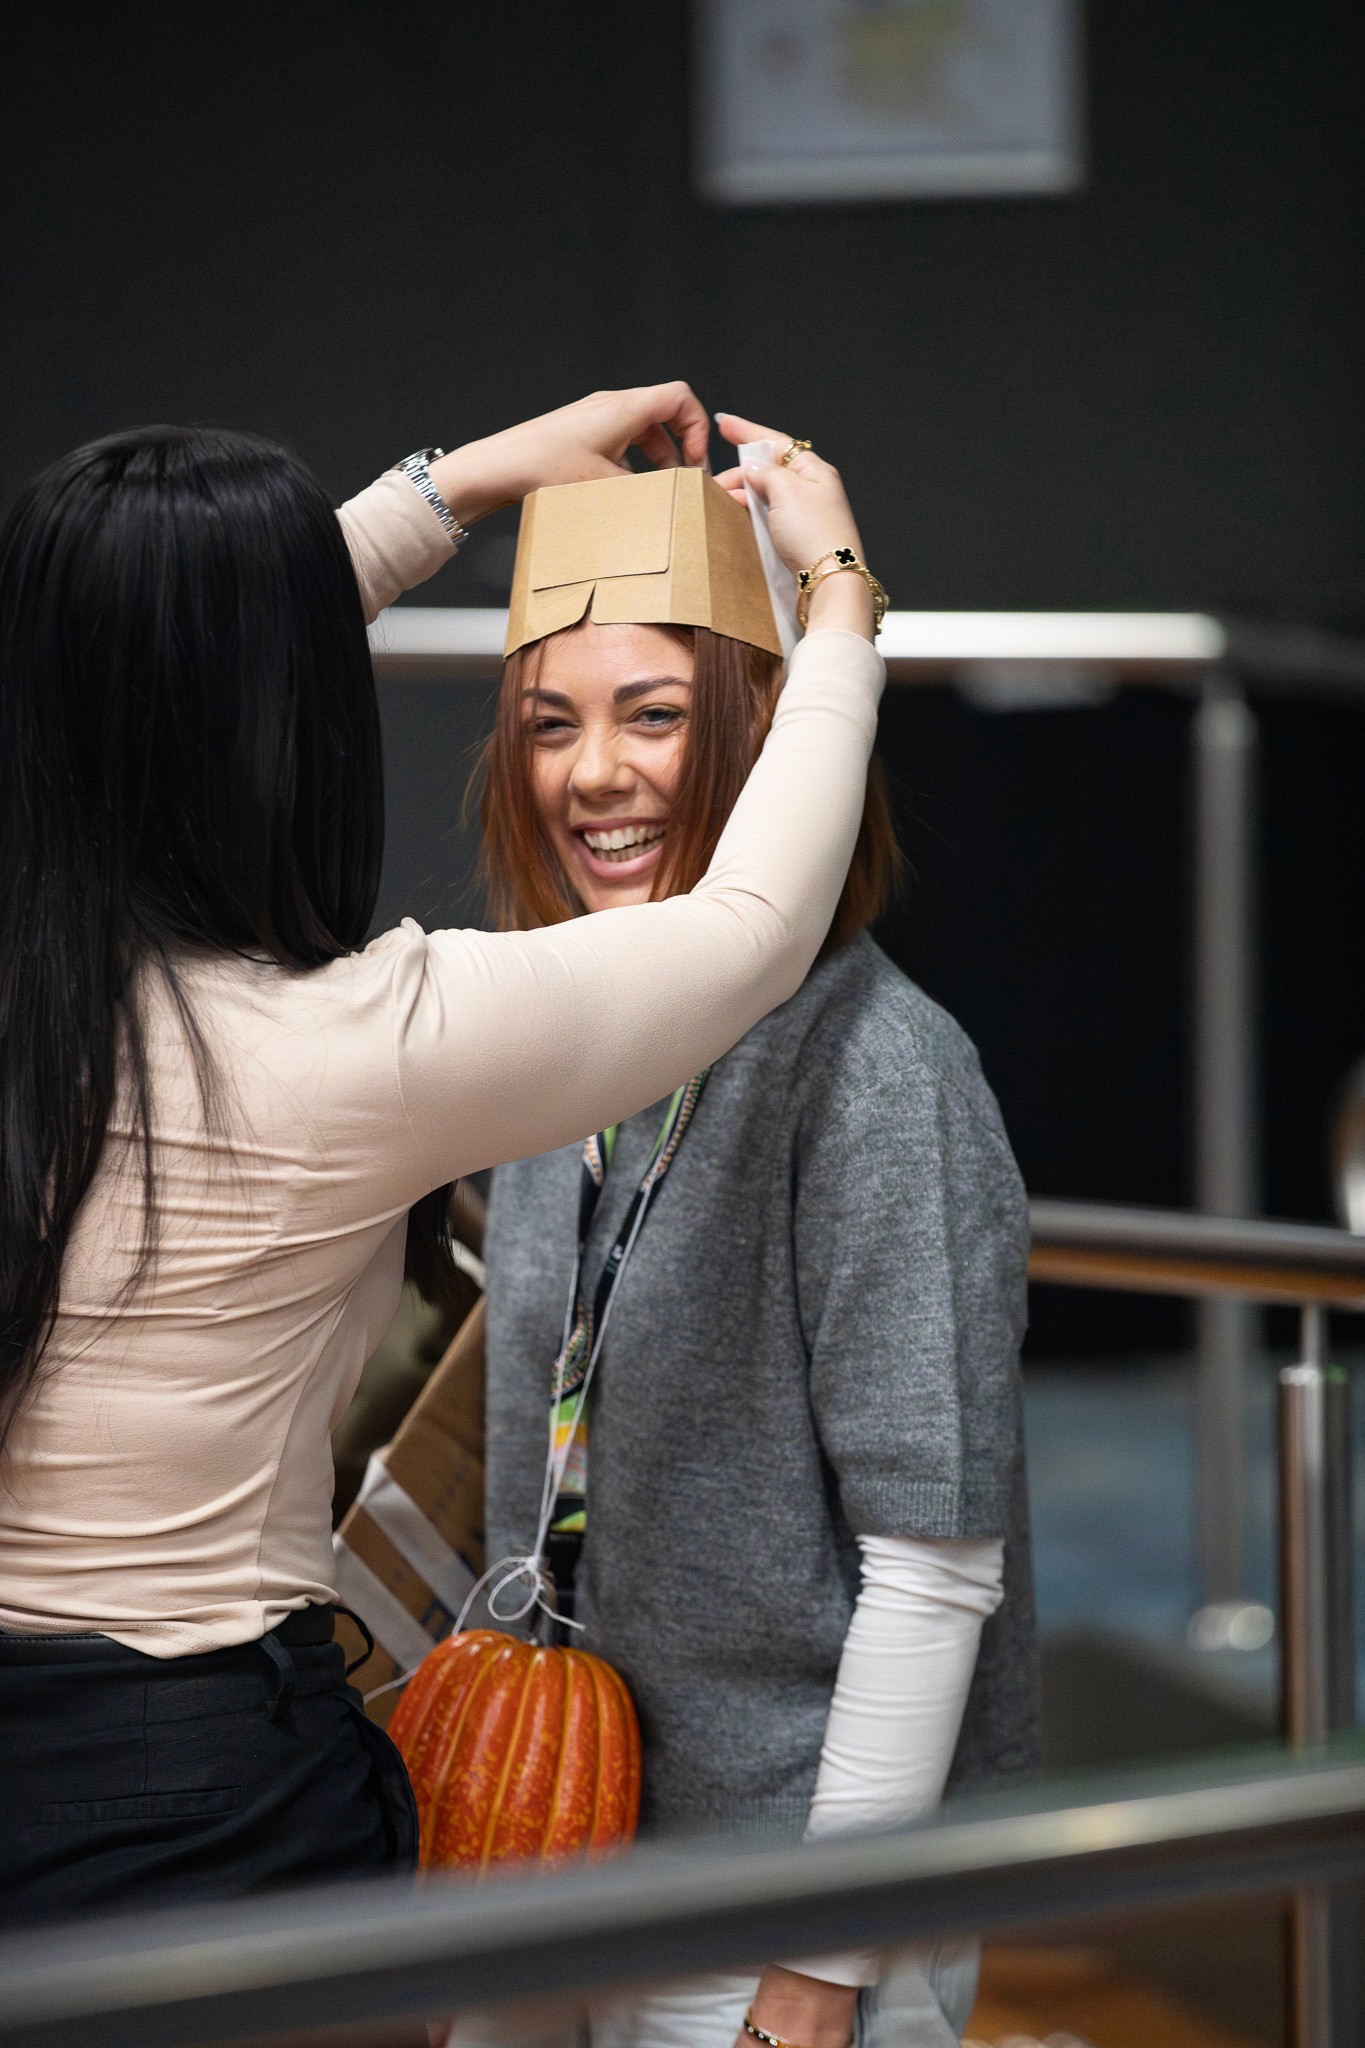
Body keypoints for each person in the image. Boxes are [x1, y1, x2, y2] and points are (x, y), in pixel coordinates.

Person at [0, 384, 885, 1926]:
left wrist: (456, 485)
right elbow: (750, 934)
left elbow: (131, 675)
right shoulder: (342, 1048)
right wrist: (838, 596)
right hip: (193, 1790)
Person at [472, 419, 1036, 2048]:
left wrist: (819, 1973)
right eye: (547, 726)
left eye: (655, 715)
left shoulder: (877, 1068)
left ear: (765, 741)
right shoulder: (569, 1030)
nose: (595, 775)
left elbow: (932, 1571)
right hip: (561, 1848)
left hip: (781, 1899)